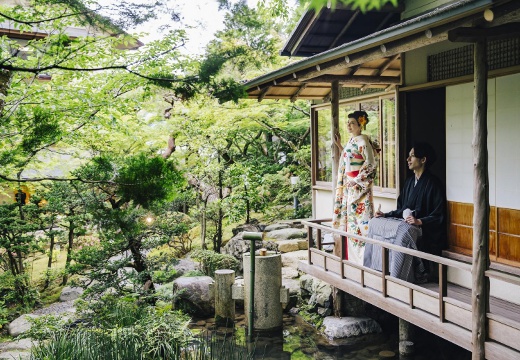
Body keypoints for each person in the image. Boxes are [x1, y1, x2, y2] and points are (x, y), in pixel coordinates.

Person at [375, 142, 446, 259]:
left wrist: (419, 221)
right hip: (408, 226)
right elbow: (402, 208)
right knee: (376, 223)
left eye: (412, 156)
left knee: (403, 234)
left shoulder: (434, 183)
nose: (408, 159)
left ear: (423, 160)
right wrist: (385, 215)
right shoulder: (409, 182)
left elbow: (439, 215)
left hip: (425, 231)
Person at [332, 110, 378, 264]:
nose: (349, 126)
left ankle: (364, 260)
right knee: (351, 223)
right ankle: (351, 259)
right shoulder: (353, 141)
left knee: (362, 222)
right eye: (348, 123)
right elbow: (347, 156)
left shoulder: (364, 142)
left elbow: (371, 165)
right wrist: (339, 145)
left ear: (361, 124)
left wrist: (357, 180)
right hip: (350, 188)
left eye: (352, 123)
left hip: (359, 188)